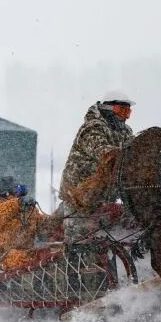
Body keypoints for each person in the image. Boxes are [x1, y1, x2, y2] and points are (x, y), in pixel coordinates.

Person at [58, 90, 135, 241]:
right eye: (121, 110)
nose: (123, 116)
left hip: (103, 194)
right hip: (78, 194)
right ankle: (76, 261)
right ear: (107, 109)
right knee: (80, 240)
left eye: (127, 112)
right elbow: (106, 154)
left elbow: (134, 155)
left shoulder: (126, 131)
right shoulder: (92, 128)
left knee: (107, 238)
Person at [0, 176, 61, 269]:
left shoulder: (28, 209)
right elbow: (1, 215)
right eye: (18, 190)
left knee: (52, 255)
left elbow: (44, 227)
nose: (21, 194)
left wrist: (59, 214)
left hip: (27, 255)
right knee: (40, 260)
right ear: (6, 193)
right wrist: (18, 203)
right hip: (5, 258)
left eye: (23, 190)